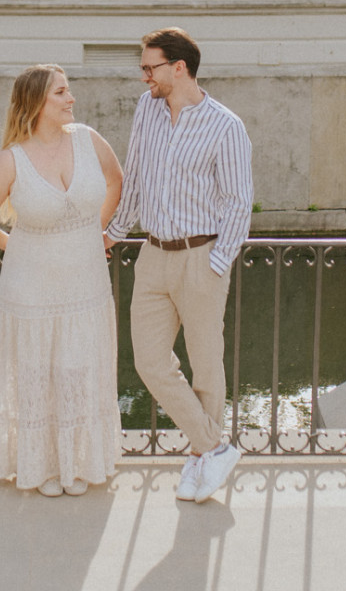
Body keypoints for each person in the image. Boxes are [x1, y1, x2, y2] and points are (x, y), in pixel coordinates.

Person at [106, 27, 253, 504]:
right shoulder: (146, 109)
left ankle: (197, 459)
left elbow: (238, 203)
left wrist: (217, 262)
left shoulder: (225, 126)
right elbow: (136, 179)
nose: (144, 76)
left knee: (206, 367)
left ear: (179, 68)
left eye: (150, 67)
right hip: (153, 255)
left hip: (200, 256)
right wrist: (114, 233)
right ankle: (215, 448)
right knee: (149, 360)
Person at [0, 64, 125, 497]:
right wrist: (14, 247)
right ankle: (44, 468)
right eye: (61, 92)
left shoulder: (89, 140)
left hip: (86, 285)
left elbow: (117, 181)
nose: (70, 99)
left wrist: (100, 231)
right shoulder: (12, 158)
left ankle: (77, 463)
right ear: (36, 101)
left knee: (78, 370)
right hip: (31, 289)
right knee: (38, 374)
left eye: (69, 91)